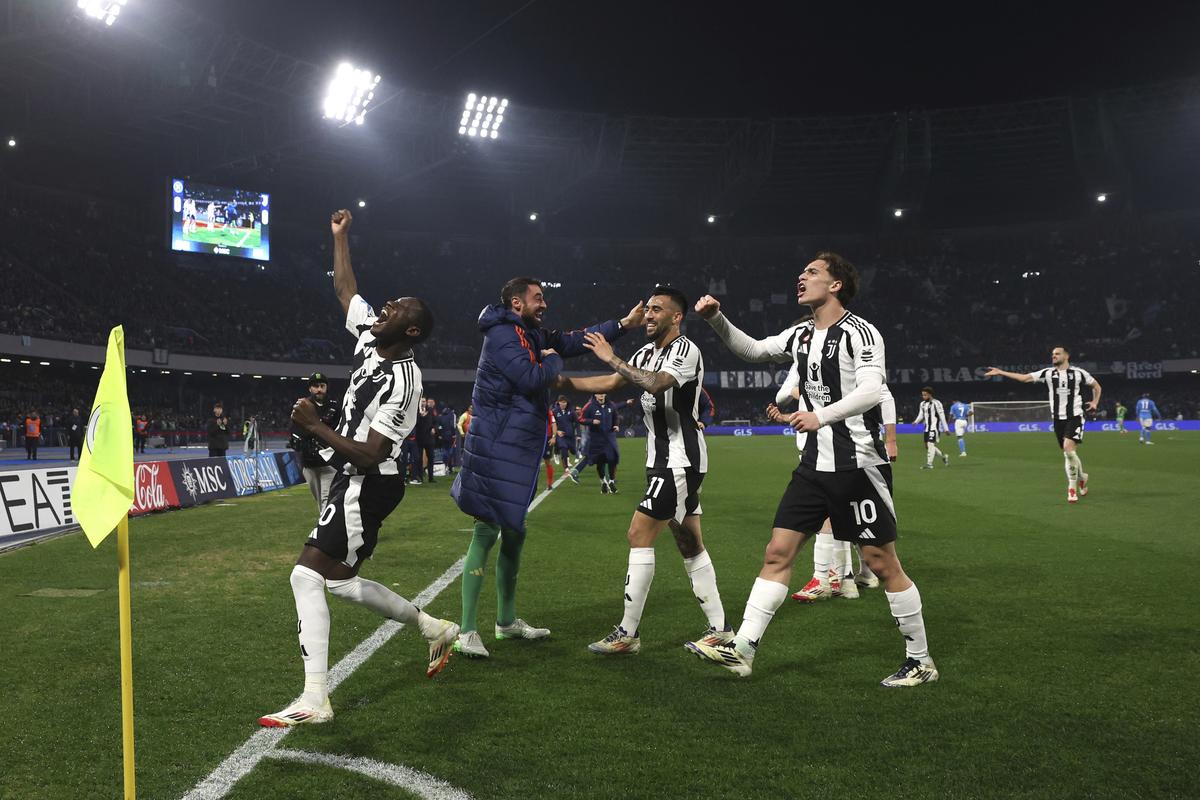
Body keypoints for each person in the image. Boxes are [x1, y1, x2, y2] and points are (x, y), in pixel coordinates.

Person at [685, 252, 938, 687]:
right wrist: (716, 319)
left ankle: (920, 660)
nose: (801, 278)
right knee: (777, 553)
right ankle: (744, 649)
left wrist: (821, 416)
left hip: (858, 464)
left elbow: (874, 389)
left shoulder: (861, 333)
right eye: (801, 272)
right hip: (813, 466)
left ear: (836, 284)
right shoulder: (801, 334)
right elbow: (755, 350)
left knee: (882, 563)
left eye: (812, 273)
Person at [259, 208, 458, 728]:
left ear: (409, 329)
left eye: (394, 309)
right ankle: (432, 627)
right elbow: (346, 291)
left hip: (369, 481)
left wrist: (314, 425)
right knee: (340, 582)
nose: (383, 308)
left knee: (306, 576)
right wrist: (340, 238)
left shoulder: (404, 380)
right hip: (356, 480)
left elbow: (372, 452)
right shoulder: (371, 337)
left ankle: (315, 698)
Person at [450, 276, 643, 659]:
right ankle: (467, 630)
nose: (545, 304)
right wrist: (551, 355)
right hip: (494, 446)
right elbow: (532, 376)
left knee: (515, 532)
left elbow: (573, 339)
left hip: (514, 447)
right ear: (517, 303)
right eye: (538, 298)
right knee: (486, 531)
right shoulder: (504, 334)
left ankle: (505, 622)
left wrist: (622, 325)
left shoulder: (525, 332)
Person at [558, 287, 730, 656]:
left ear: (676, 317)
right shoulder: (645, 352)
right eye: (647, 309)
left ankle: (627, 633)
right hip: (663, 460)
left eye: (657, 310)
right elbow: (611, 383)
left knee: (639, 533)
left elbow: (656, 382)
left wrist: (611, 356)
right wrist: (559, 383)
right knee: (689, 542)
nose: (648, 315)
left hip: (680, 460)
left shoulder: (685, 350)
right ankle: (721, 629)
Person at [772, 357, 897, 602]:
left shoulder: (843, 355)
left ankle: (833, 579)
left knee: (834, 516)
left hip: (837, 451)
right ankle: (862, 574)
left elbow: (883, 394)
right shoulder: (809, 359)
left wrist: (891, 438)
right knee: (848, 516)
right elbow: (783, 396)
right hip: (825, 448)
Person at [985, 347, 1101, 503]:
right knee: (1069, 453)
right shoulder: (1047, 373)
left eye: (1057, 353)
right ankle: (1082, 477)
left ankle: (1071, 489)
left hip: (1075, 416)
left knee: (1068, 449)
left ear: (1066, 356)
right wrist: (1001, 372)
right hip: (1057, 419)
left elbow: (1097, 386)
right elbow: (1024, 378)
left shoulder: (1079, 373)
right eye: (1052, 354)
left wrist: (1095, 402)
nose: (1053, 356)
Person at [289, 373, 340, 510]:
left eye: (322, 386)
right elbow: (295, 429)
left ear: (326, 387)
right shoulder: (302, 406)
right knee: (319, 500)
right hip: (309, 462)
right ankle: (325, 525)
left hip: (329, 461)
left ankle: (326, 529)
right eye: (315, 386)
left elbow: (339, 430)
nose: (319, 389)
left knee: (326, 500)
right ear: (310, 388)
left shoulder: (335, 407)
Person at [569, 393, 622, 492]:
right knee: (600, 462)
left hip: (609, 438)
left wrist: (616, 425)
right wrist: (591, 421)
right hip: (596, 439)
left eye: (603, 393)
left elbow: (616, 417)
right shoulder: (589, 406)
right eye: (599, 393)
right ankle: (603, 482)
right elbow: (580, 419)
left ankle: (611, 481)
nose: (601, 395)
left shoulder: (611, 405)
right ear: (595, 395)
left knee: (613, 459)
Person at [913, 386, 949, 469]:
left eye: (925, 395)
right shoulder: (922, 404)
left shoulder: (937, 403)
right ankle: (944, 456)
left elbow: (942, 416)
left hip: (934, 427)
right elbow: (921, 414)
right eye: (922, 395)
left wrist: (946, 429)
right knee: (927, 446)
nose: (923, 397)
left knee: (930, 444)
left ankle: (929, 464)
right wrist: (916, 421)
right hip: (927, 428)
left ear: (930, 395)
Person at [413, 398, 437, 483]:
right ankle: (420, 476)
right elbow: (414, 423)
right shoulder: (416, 411)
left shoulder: (430, 410)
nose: (423, 403)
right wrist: (420, 416)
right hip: (419, 438)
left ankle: (431, 477)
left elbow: (435, 421)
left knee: (431, 457)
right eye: (421, 401)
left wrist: (434, 428)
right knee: (419, 458)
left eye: (424, 401)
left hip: (429, 438)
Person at [552, 396, 578, 470]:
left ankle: (567, 458)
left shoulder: (571, 411)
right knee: (564, 448)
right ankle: (566, 467)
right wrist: (557, 431)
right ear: (558, 402)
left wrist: (578, 434)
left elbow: (577, 422)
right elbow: (552, 423)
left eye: (565, 402)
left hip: (570, 435)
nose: (563, 404)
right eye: (562, 402)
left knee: (573, 450)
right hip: (560, 434)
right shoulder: (554, 411)